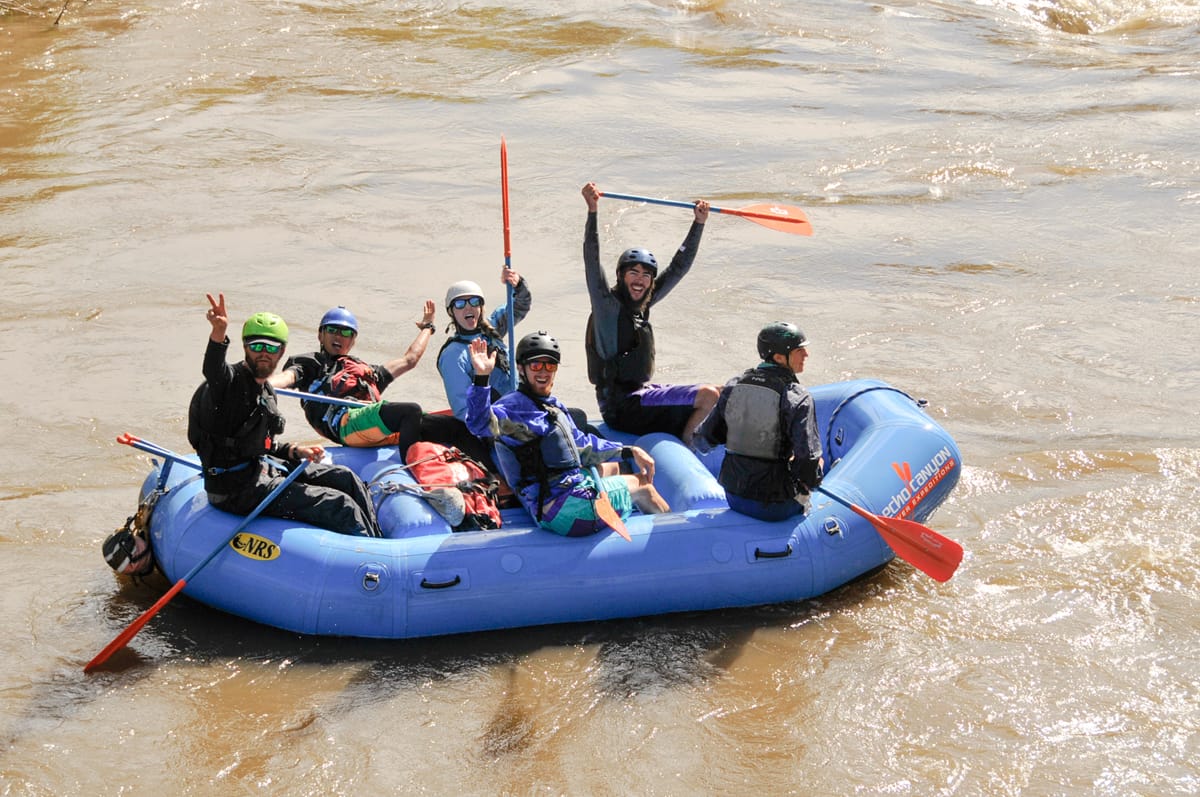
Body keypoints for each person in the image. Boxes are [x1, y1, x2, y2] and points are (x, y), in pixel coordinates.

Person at [187, 294, 381, 538]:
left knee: (346, 479)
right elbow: (214, 370)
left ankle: (379, 542)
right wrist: (218, 333)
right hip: (234, 490)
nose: (264, 354)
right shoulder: (228, 384)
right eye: (257, 346)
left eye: (271, 348)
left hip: (260, 470)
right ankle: (367, 551)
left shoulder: (267, 391)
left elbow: (261, 444)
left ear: (282, 352)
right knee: (340, 505)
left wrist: (295, 451)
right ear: (245, 347)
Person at [464, 330, 669, 537]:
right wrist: (482, 378)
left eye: (550, 365)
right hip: (565, 509)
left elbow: (582, 446)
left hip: (552, 499)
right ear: (521, 368)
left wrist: (629, 451)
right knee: (644, 487)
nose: (543, 372)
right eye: (536, 365)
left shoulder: (551, 406)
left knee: (613, 467)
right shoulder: (514, 409)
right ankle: (673, 537)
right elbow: (479, 424)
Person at [581, 182, 720, 445]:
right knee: (708, 396)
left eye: (646, 275)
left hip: (640, 394)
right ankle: (690, 450)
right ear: (620, 276)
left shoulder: (643, 304)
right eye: (633, 272)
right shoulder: (606, 307)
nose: (640, 279)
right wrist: (592, 212)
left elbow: (678, 268)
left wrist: (699, 224)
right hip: (620, 407)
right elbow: (591, 260)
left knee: (721, 392)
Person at [271, 304, 493, 466]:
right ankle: (412, 470)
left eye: (346, 332)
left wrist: (428, 327)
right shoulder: (310, 364)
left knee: (455, 427)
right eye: (332, 330)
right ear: (320, 335)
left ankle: (498, 481)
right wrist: (261, 384)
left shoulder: (368, 372)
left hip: (375, 426)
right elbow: (287, 378)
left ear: (353, 341)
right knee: (410, 410)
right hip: (346, 424)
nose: (339, 336)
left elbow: (409, 360)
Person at [693, 322, 824, 523]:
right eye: (799, 350)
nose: (806, 354)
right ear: (779, 357)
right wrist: (812, 479)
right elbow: (807, 461)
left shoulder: (734, 386)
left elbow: (703, 440)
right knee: (817, 464)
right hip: (776, 506)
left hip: (734, 497)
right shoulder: (797, 397)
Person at [436, 270, 531, 421]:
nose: (468, 308)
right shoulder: (452, 356)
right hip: (495, 423)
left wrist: (518, 284)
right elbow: (464, 411)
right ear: (451, 312)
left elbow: (521, 304)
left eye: (474, 302)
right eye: (460, 304)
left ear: (481, 307)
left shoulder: (492, 328)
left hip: (521, 408)